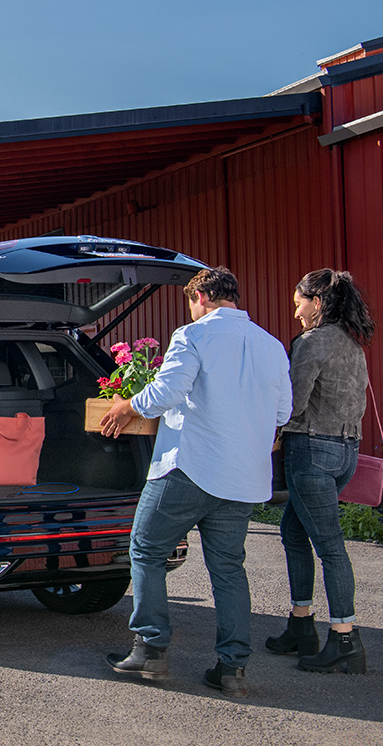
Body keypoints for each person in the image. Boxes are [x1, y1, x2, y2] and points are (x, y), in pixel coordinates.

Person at [101, 267, 292, 698]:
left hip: (191, 467)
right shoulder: (272, 346)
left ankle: (150, 650)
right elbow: (282, 414)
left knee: (146, 550)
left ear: (203, 296)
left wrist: (128, 404)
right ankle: (232, 668)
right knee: (228, 569)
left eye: (191, 301)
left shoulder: (193, 336)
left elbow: (167, 393)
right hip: (244, 477)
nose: (191, 310)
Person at [265, 268, 375, 674]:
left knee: (330, 547)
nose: (295, 313)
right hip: (346, 452)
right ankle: (300, 626)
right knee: (293, 531)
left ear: (318, 302)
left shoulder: (311, 344)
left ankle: (345, 639)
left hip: (311, 450)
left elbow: (291, 404)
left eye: (299, 304)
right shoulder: (353, 345)